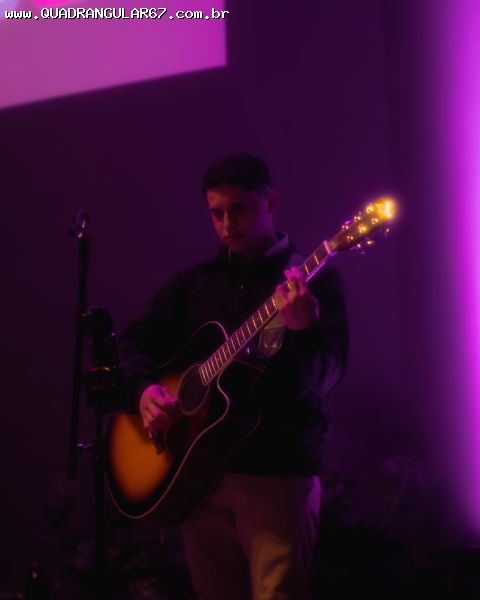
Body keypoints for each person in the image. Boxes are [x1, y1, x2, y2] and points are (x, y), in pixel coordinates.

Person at [119, 153, 349, 600]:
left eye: (239, 209)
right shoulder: (194, 285)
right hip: (197, 479)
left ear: (271, 202)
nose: (228, 224)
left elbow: (327, 376)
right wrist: (143, 391)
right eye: (216, 213)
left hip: (277, 476)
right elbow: (131, 342)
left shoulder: (315, 281)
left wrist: (304, 330)